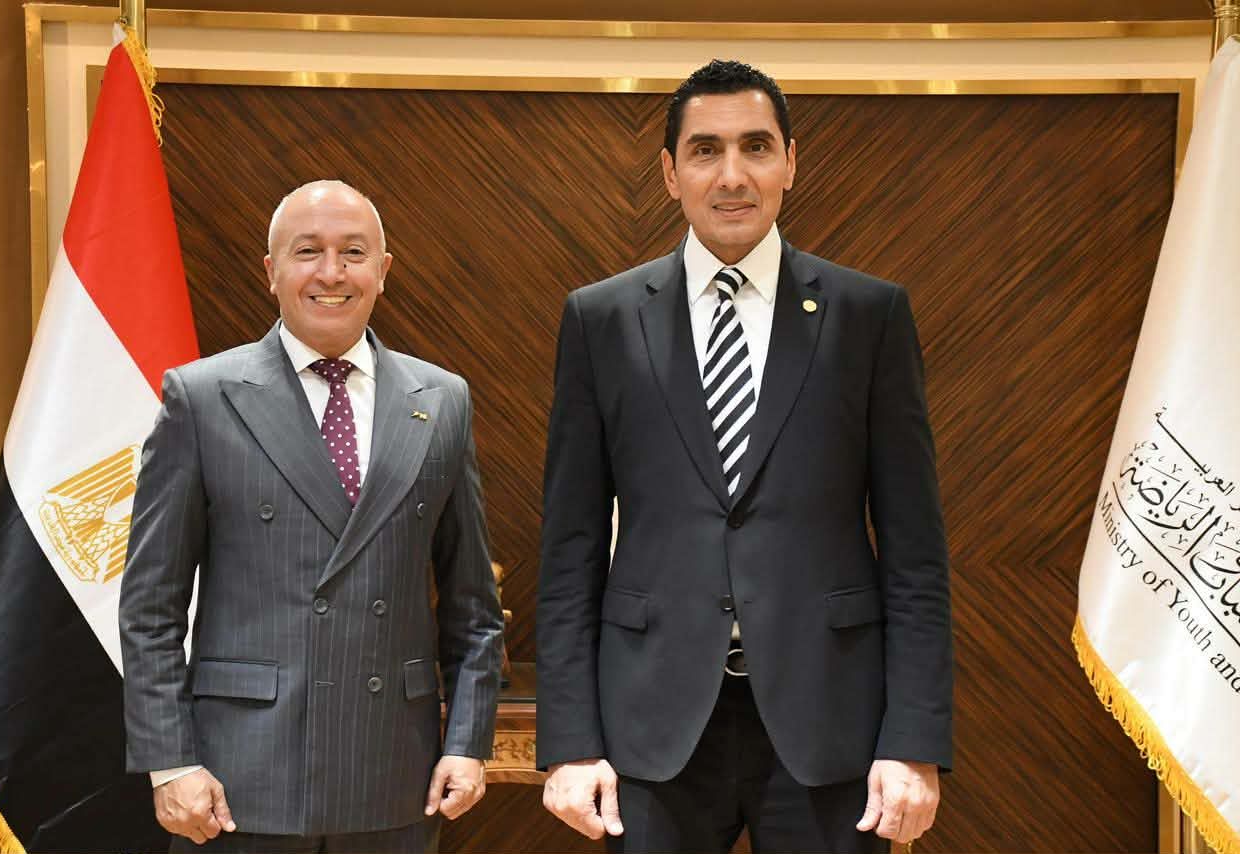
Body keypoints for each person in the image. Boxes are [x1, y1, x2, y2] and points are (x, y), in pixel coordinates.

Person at [537, 60, 952, 854]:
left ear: (790, 162)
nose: (732, 175)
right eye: (706, 150)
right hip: (651, 728)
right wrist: (570, 743)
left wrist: (914, 741)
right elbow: (570, 550)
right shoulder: (602, 320)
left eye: (755, 147)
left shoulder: (868, 315)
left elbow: (915, 554)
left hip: (829, 726)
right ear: (670, 173)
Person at [119, 180, 504, 852]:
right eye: (308, 252)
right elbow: (151, 606)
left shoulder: (442, 400)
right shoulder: (202, 398)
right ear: (271, 271)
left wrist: (468, 742)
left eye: (353, 252)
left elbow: (474, 609)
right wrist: (171, 762)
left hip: (394, 776)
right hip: (239, 780)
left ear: (383, 270)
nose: (332, 273)